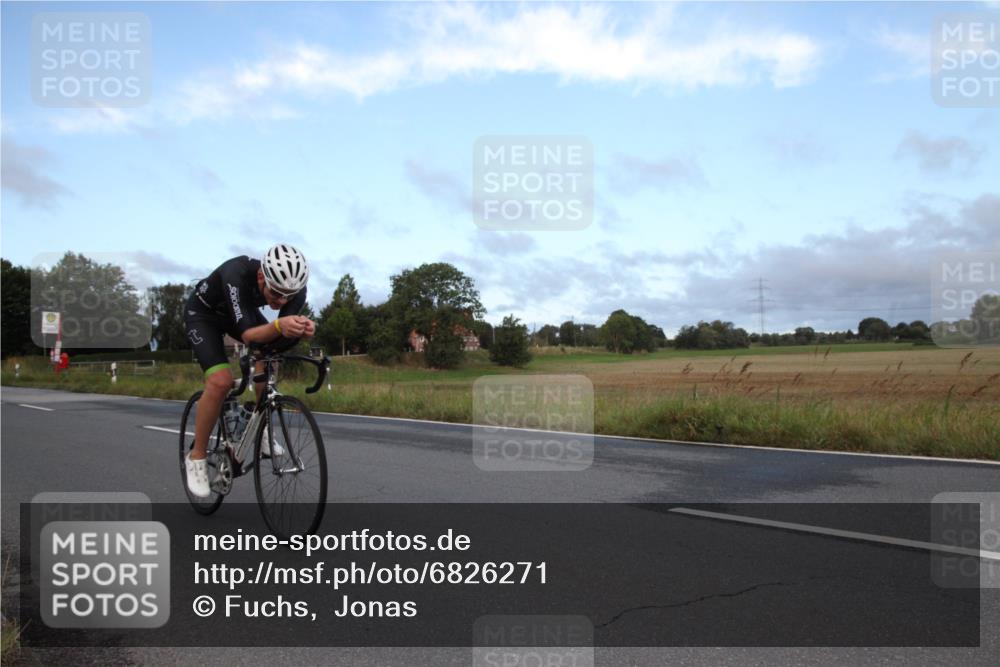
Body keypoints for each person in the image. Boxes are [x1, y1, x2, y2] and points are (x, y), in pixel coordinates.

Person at [183, 244, 316, 497]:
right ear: (260, 277)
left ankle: (259, 425)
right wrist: (279, 325)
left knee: (269, 359)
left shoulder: (293, 291)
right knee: (220, 381)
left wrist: (304, 329)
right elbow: (249, 335)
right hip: (204, 315)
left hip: (238, 314)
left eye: (289, 295)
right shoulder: (237, 273)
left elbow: (277, 340)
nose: (282, 301)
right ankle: (197, 455)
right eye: (276, 293)